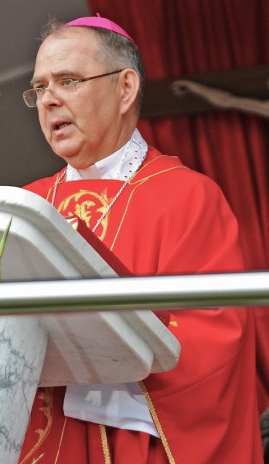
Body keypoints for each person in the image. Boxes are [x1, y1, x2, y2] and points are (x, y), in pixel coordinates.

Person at [18, 16, 262, 463]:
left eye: (67, 80)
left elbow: (214, 342)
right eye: (40, 88)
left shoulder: (187, 195)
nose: (49, 100)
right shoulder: (25, 207)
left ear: (125, 88)